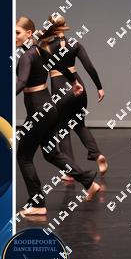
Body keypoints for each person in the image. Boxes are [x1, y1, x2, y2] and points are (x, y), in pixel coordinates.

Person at [15, 16, 100, 216]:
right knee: (51, 153)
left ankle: (37, 203)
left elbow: (22, 81)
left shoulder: (27, 55)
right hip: (49, 109)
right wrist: (74, 81)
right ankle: (89, 182)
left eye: (17, 33)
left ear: (29, 33)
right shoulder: (39, 50)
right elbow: (59, 64)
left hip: (38, 111)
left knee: (24, 157)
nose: (14, 37)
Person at [38, 14, 108, 178]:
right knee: (80, 124)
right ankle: (97, 154)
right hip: (79, 86)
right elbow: (89, 67)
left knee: (62, 129)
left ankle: (69, 172)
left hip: (60, 88)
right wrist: (99, 87)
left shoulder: (45, 46)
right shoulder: (75, 43)